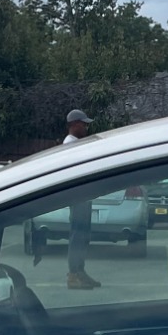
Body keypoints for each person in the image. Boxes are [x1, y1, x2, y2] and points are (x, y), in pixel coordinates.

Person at [63, 109, 99, 290]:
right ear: (74, 124)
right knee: (77, 235)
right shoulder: (70, 144)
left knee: (84, 235)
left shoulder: (78, 143)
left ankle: (80, 271)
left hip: (83, 195)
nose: (86, 127)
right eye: (83, 124)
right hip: (77, 195)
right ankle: (73, 274)